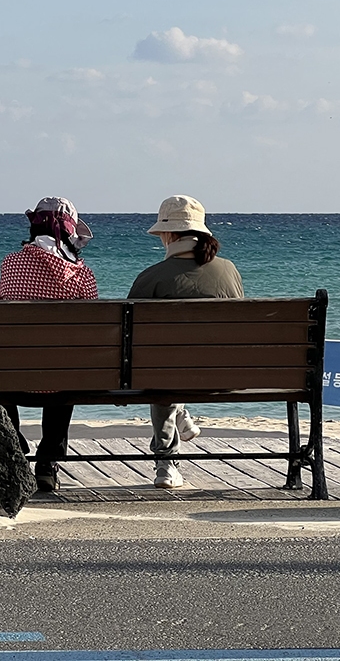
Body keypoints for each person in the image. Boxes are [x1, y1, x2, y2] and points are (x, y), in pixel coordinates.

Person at [128, 194, 243, 490]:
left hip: (164, 378)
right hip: (224, 375)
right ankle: (179, 413)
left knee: (160, 369)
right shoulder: (228, 270)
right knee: (172, 367)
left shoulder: (150, 277)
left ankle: (166, 463)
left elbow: (128, 339)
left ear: (167, 234)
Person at [0, 196, 97, 492]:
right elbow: (92, 330)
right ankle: (48, 460)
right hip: (61, 378)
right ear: (69, 232)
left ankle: (12, 440)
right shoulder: (81, 275)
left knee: (5, 361)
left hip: (12, 377)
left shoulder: (10, 264)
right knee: (65, 364)